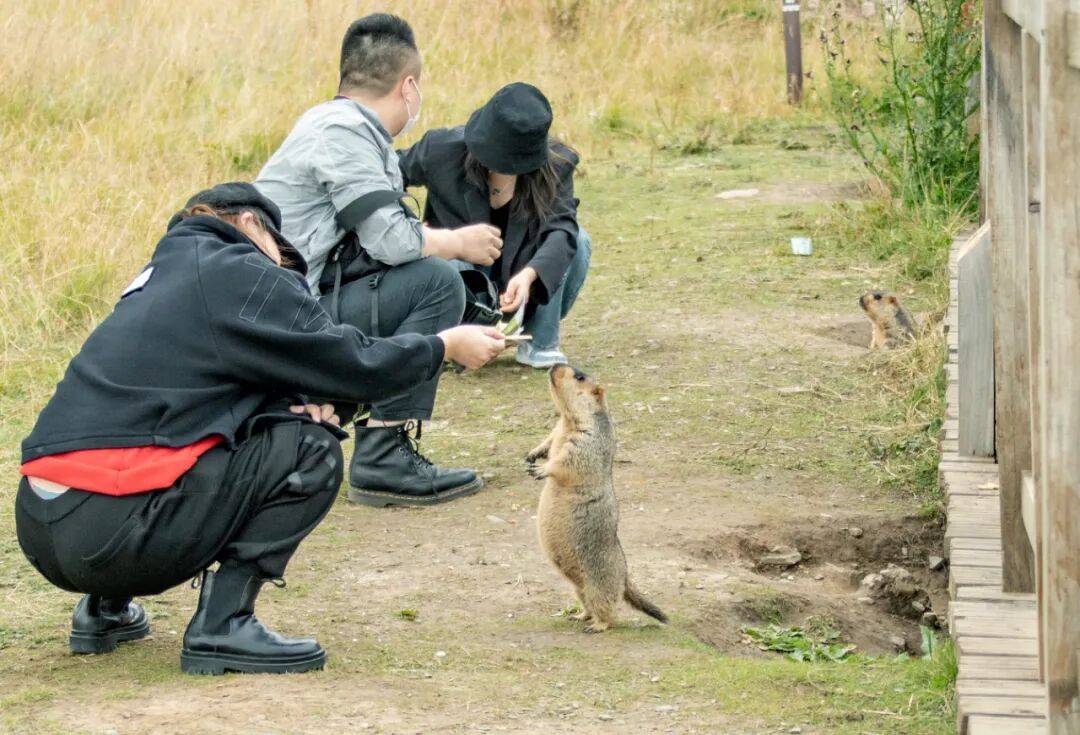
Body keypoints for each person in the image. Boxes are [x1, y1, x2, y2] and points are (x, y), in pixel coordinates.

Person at [15, 183, 504, 674]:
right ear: (251, 225)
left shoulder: (156, 278)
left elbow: (197, 400)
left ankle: (104, 610)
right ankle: (223, 625)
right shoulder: (237, 266)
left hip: (41, 526)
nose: (285, 264)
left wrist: (289, 405)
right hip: (114, 537)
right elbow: (355, 362)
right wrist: (443, 345)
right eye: (282, 248)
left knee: (157, 440)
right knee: (310, 449)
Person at [256, 14, 503, 507]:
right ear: (408, 87)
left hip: (288, 304)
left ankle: (359, 422)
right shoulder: (342, 135)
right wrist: (458, 242)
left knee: (430, 275)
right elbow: (392, 242)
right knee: (436, 282)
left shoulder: (337, 125)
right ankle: (383, 455)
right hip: (277, 320)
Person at [399, 82, 590, 368]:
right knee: (443, 264)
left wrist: (528, 276)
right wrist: (419, 233)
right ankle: (452, 340)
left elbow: (561, 230)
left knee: (578, 240)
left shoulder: (556, 165)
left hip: (523, 290)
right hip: (460, 279)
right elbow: (382, 177)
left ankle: (539, 339)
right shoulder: (440, 150)